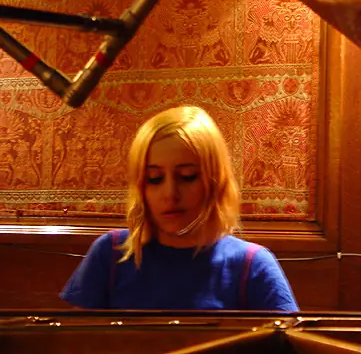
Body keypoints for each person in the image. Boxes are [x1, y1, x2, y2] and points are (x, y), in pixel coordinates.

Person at [60, 106, 299, 311]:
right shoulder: (110, 253)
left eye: (187, 176)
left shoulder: (253, 265)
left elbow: (289, 340)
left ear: (215, 181)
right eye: (154, 179)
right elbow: (76, 342)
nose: (170, 194)